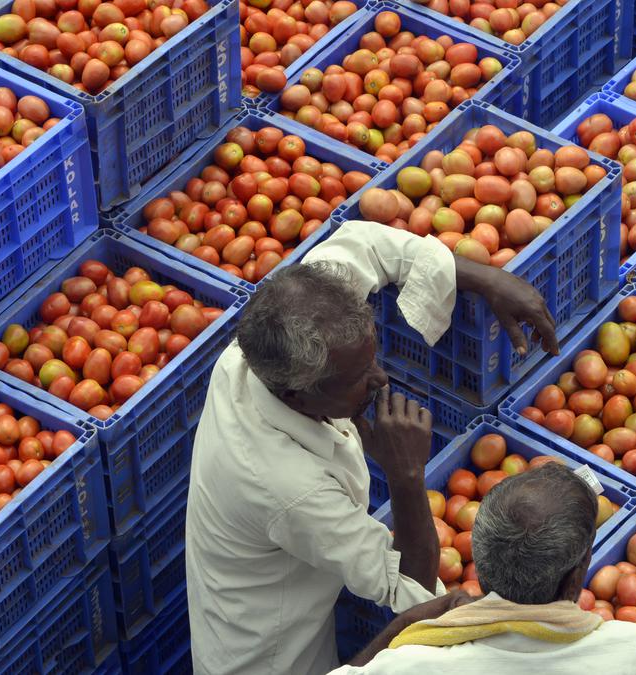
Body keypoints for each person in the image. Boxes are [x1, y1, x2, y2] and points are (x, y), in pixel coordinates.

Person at [185, 220, 560, 675]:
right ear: (299, 396)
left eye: (373, 358)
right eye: (356, 379)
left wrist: (485, 277)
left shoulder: (280, 336)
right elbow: (415, 591)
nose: (381, 378)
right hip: (269, 658)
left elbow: (366, 244)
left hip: (289, 592)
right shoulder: (285, 488)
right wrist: (406, 477)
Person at [329, 463, 636, 674]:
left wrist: (404, 623)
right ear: (576, 578)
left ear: (479, 565)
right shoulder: (632, 652)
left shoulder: (412, 666)